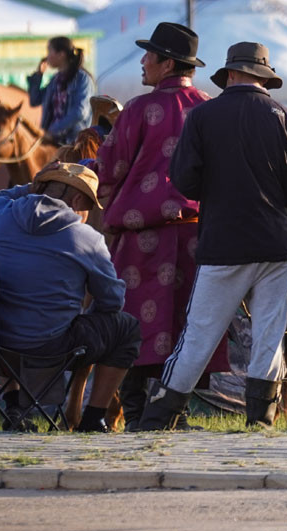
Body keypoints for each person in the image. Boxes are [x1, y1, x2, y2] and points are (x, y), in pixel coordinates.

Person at [136, 41, 287, 430]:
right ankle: (261, 420)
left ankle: (160, 415)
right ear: (263, 78)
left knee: (199, 333)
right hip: (276, 245)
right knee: (269, 335)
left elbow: (184, 181)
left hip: (223, 242)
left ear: (230, 74)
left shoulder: (203, 117)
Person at [96, 22, 227, 430]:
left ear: (166, 63)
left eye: (148, 55)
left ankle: (136, 414)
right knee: (186, 323)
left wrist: (112, 201)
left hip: (140, 237)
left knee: (135, 322)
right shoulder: (210, 108)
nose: (142, 61)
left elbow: (111, 168)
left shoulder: (136, 110)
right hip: (195, 236)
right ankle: (173, 413)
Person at [0, 162, 141, 433]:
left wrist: (32, 186)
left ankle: (14, 408)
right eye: (87, 205)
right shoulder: (85, 237)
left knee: (7, 319)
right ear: (77, 200)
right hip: (51, 350)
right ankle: (93, 418)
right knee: (126, 329)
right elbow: (113, 302)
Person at [27, 36, 94, 146]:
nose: (47, 56)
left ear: (61, 54)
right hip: (52, 141)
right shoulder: (55, 80)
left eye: (49, 51)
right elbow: (35, 100)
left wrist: (53, 130)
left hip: (74, 142)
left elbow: (80, 112)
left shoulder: (82, 79)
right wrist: (38, 76)